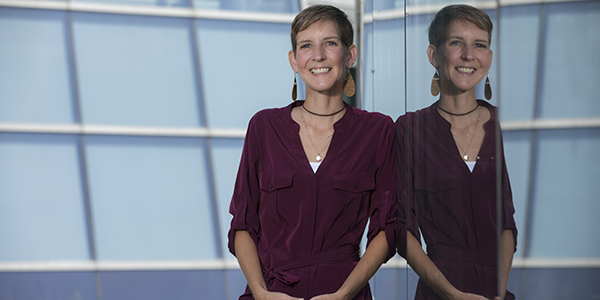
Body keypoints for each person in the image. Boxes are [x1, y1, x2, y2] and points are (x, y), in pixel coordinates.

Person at [228, 5, 397, 300]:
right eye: (306, 46)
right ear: (294, 60)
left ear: (350, 55)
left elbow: (387, 228)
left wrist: (345, 293)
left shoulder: (378, 131)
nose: (318, 55)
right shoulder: (264, 127)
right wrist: (260, 293)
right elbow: (243, 224)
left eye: (330, 43)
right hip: (271, 294)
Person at [395, 4, 517, 300]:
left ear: (489, 56)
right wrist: (451, 294)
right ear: (434, 55)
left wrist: (498, 293)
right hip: (439, 291)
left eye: (480, 45)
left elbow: (506, 224)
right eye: (456, 43)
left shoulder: (502, 124)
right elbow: (401, 230)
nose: (468, 55)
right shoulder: (409, 129)